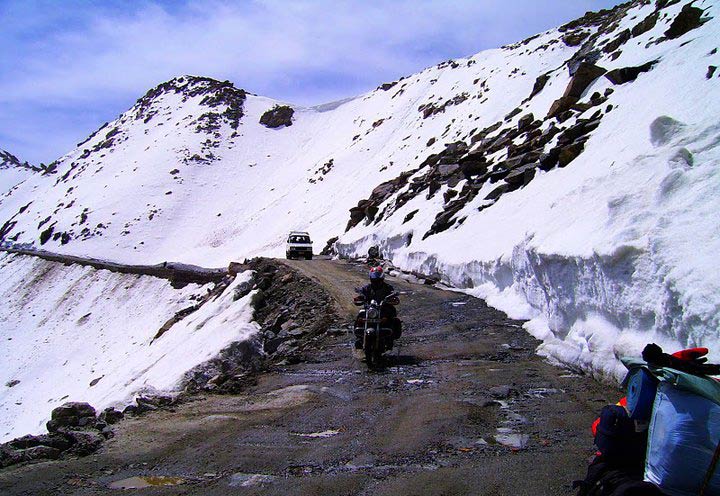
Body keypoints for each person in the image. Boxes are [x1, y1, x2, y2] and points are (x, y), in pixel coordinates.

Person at [353, 266, 401, 349]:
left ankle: (390, 338)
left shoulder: (388, 288)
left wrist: (392, 299)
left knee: (392, 317)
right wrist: (359, 298)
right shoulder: (367, 288)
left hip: (383, 309)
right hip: (370, 309)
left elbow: (393, 295)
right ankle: (359, 337)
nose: (376, 282)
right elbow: (362, 294)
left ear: (382, 279)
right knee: (360, 315)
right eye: (374, 280)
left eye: (378, 280)